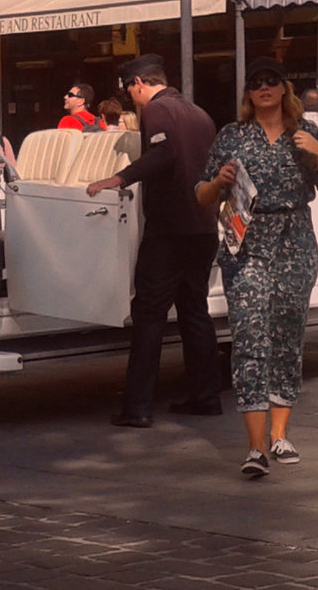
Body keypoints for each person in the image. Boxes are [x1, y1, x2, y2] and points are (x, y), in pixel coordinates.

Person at [196, 58, 318, 478]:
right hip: (245, 241)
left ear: (284, 90)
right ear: (248, 94)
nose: (264, 88)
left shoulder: (306, 134)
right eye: (256, 83)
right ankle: (255, 447)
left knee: (287, 335)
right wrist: (219, 182)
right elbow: (202, 196)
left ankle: (280, 435)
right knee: (248, 337)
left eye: (271, 82)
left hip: (295, 239)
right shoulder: (232, 136)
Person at [85, 54, 222, 428]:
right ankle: (206, 397)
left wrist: (119, 178)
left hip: (170, 230)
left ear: (139, 84)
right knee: (195, 311)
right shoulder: (199, 113)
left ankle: (138, 407)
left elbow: (163, 153)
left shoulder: (158, 112)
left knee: (149, 316)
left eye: (131, 90)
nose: (132, 98)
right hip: (203, 227)